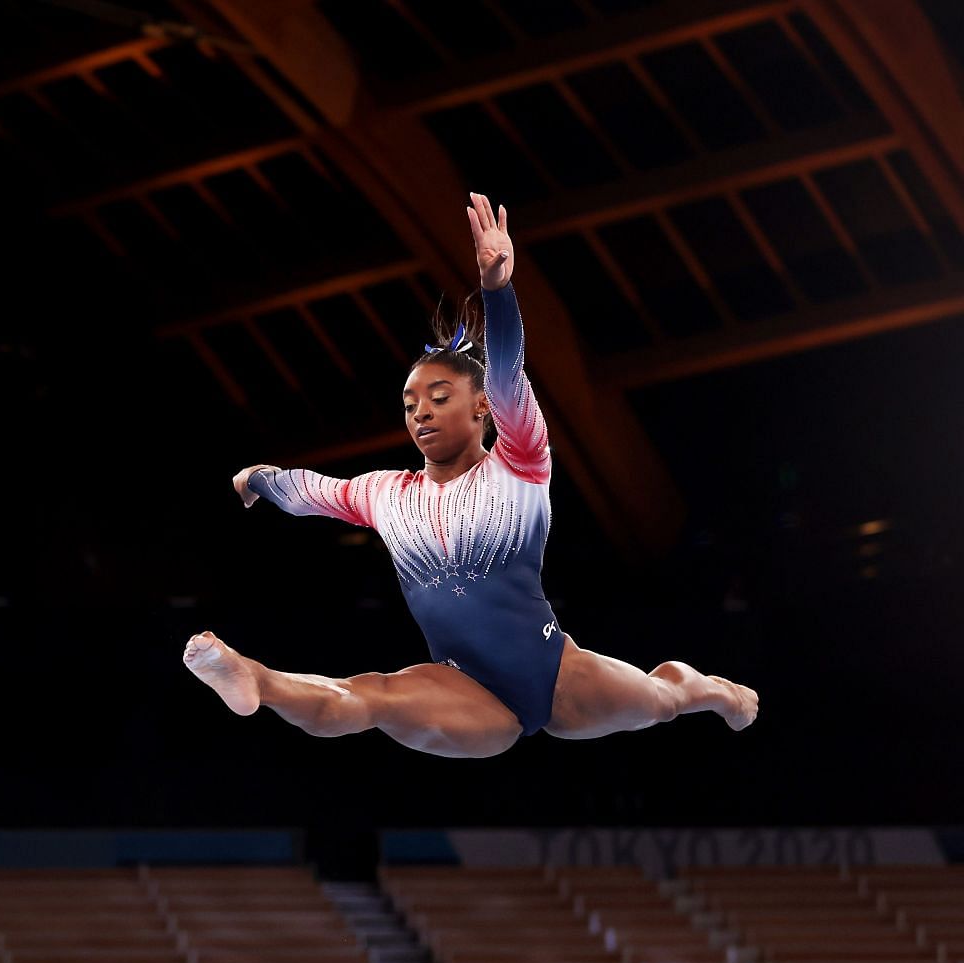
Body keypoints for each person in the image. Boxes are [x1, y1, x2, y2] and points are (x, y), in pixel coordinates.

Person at [186, 192, 758, 756]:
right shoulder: (386, 493)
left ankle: (715, 690)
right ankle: (252, 678)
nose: (421, 413)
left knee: (662, 697)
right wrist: (259, 478)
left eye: (438, 397)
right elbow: (309, 491)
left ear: (482, 407)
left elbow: (508, 369)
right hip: (463, 688)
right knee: (370, 698)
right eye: (410, 405)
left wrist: (497, 290)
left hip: (556, 675)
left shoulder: (521, 462)